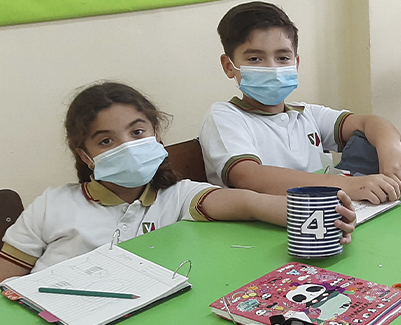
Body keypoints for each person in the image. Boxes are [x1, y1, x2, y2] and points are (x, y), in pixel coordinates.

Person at [0, 83, 356, 282]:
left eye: (137, 132)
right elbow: (6, 282)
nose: (127, 146)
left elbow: (251, 203)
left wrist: (325, 214)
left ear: (157, 134)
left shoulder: (179, 196)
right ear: (85, 155)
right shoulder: (51, 205)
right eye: (106, 141)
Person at [200, 1, 401, 204]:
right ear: (228, 66)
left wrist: (391, 150)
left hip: (324, 218)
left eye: (282, 58)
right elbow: (249, 176)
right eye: (255, 59)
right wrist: (349, 186)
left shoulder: (305, 114)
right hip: (257, 227)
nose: (272, 68)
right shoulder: (224, 117)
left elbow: (370, 123)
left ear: (296, 63)